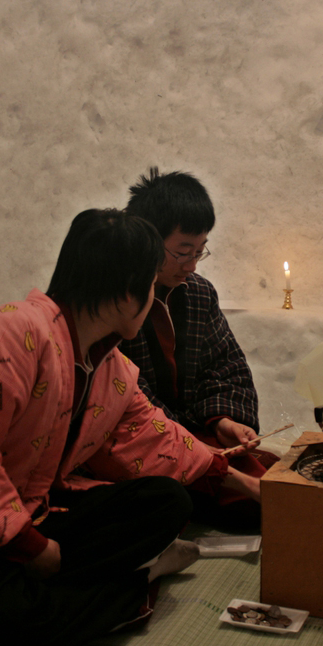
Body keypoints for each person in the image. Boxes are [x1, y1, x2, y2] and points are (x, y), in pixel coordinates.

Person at [0, 209, 259, 646]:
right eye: (150, 285)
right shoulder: (8, 335)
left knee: (166, 502)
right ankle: (130, 589)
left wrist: (245, 483)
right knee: (2, 612)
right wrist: (30, 546)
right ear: (124, 290)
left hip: (32, 512)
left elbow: (156, 436)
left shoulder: (108, 364)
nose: (156, 294)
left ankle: (76, 587)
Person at [120, 168, 274, 530]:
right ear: (146, 241)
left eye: (200, 252)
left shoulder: (198, 293)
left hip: (192, 432)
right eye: (182, 252)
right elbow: (127, 402)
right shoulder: (118, 301)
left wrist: (222, 421)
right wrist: (189, 446)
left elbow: (224, 365)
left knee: (271, 475)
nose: (191, 266)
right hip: (144, 442)